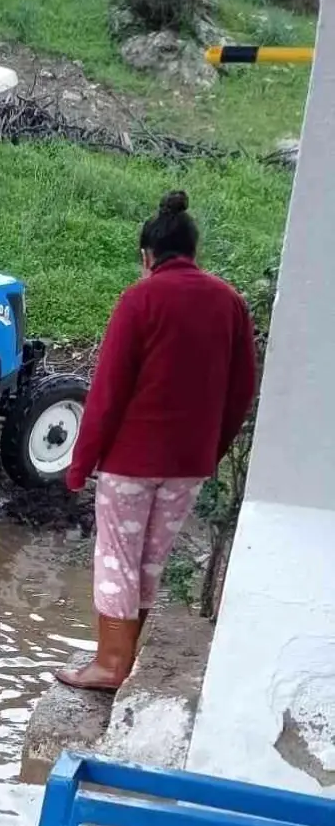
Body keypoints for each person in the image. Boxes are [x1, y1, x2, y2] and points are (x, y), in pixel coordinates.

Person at [59, 190, 257, 690]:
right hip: (189, 463)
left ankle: (108, 665)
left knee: (116, 557)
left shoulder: (140, 299)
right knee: (150, 559)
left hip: (131, 461)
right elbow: (242, 391)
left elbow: (107, 391)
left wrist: (81, 463)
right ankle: (123, 663)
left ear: (147, 256)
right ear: (195, 251)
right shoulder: (229, 302)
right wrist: (212, 449)